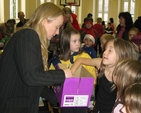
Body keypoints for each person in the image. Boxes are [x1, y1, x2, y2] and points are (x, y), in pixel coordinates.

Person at [0, 2, 73, 113]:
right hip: (14, 106)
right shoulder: (28, 36)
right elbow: (31, 76)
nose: (57, 32)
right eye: (56, 27)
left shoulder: (28, 36)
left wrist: (56, 99)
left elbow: (34, 80)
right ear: (44, 21)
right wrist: (63, 74)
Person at [71, 38, 133, 113]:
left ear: (121, 55)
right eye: (105, 49)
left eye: (110, 50)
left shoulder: (122, 77)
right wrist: (71, 74)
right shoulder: (100, 63)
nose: (104, 52)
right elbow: (80, 60)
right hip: (98, 108)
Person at [49, 27, 97, 113]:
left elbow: (92, 74)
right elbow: (51, 76)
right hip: (66, 99)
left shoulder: (85, 57)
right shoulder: (59, 59)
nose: (78, 43)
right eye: (74, 41)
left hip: (81, 98)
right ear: (66, 43)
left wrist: (91, 82)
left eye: (79, 40)